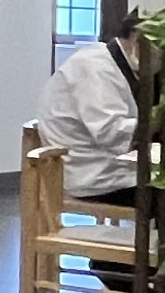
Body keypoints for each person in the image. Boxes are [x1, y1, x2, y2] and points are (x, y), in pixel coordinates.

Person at [34, 34, 140, 199]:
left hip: (106, 170)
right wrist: (157, 124)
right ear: (136, 39)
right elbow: (110, 132)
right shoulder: (95, 68)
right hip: (94, 181)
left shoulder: (104, 60)